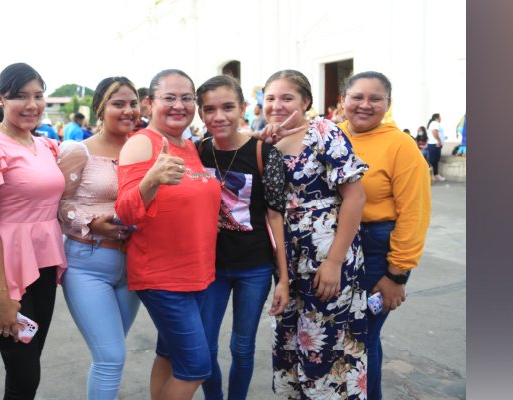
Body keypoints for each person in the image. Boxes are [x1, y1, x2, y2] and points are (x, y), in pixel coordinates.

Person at [259, 70, 369, 399]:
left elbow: (355, 198)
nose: (277, 105)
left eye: (287, 98)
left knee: (326, 344)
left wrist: (335, 262)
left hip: (327, 254)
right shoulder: (267, 141)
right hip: (287, 259)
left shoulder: (324, 132)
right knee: (291, 338)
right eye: (270, 98)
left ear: (306, 101)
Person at [115, 69, 221, 400]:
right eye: (169, 98)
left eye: (187, 98)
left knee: (169, 355)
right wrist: (151, 179)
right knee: (196, 368)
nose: (179, 105)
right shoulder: (141, 143)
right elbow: (125, 212)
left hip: (198, 274)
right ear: (149, 103)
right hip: (163, 277)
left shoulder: (189, 146)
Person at [0, 62, 66, 400]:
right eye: (21, 96)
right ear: (0, 99)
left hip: (44, 263)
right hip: (6, 268)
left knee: (30, 364)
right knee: (24, 374)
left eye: (38, 96)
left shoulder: (47, 146)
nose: (31, 105)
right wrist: (1, 295)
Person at [194, 75, 290, 400]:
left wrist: (283, 279)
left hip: (254, 268)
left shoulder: (264, 153)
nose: (218, 116)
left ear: (243, 108)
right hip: (211, 268)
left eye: (228, 107)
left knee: (242, 346)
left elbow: (276, 217)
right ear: (200, 113)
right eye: (209, 109)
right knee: (205, 347)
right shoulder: (198, 152)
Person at [338, 71, 432, 399]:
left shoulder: (401, 145)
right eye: (357, 97)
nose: (365, 105)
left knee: (362, 335)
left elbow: (414, 214)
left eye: (375, 99)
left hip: (378, 247)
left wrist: (397, 274)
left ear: (388, 104)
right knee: (348, 334)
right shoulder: (332, 136)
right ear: (343, 101)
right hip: (338, 246)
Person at [57, 76, 142, 400]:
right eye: (118, 104)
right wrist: (91, 222)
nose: (127, 110)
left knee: (111, 351)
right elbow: (58, 204)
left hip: (134, 267)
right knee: (111, 358)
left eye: (132, 103)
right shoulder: (78, 151)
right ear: (99, 109)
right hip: (88, 264)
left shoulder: (143, 150)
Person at [426, 113, 446, 181]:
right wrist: (438, 140)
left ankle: (435, 174)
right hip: (434, 144)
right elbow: (434, 132)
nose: (441, 118)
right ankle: (427, 175)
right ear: (437, 118)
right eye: (440, 117)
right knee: (432, 161)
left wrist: (442, 138)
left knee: (435, 160)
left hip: (435, 144)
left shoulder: (434, 123)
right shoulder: (435, 123)